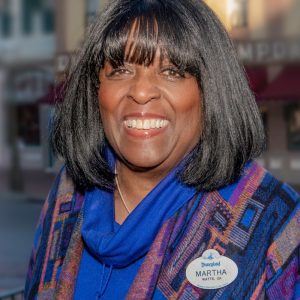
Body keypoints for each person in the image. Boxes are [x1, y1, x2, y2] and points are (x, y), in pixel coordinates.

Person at [25, 0, 300, 299]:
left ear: (212, 91)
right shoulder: (67, 192)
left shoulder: (276, 224)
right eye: (120, 69)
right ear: (95, 89)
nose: (141, 91)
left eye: (172, 71)